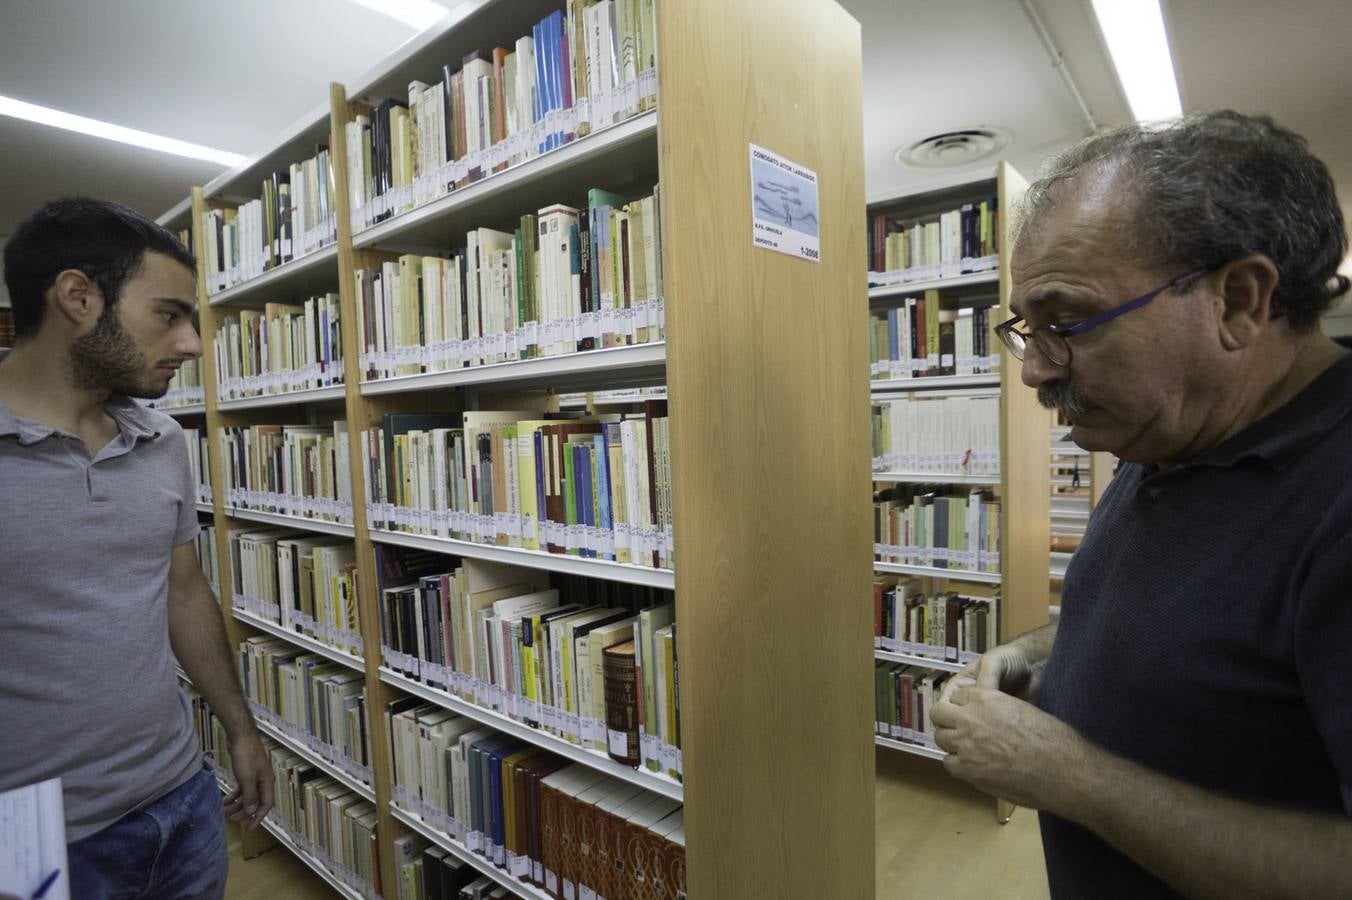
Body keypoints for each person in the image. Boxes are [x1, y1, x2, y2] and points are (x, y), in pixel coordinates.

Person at [931, 110, 1352, 898]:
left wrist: (1067, 774)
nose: (1034, 370)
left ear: (1239, 302)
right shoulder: (1167, 428)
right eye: (1027, 329)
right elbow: (1187, 615)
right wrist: (1043, 652)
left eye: (1068, 322)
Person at [0, 198, 273, 899]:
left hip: (182, 799)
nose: (192, 344)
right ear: (77, 297)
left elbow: (183, 592)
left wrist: (240, 729)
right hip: (36, 839)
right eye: (169, 314)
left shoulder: (162, 439)